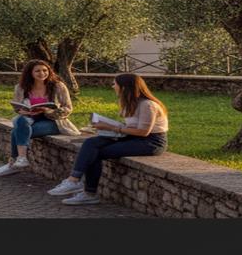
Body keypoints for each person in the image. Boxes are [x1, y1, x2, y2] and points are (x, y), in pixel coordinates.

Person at [47, 73, 169, 205]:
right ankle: (74, 180)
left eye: (114, 84)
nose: (113, 86)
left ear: (124, 87)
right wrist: (105, 128)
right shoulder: (130, 103)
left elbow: (143, 132)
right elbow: (131, 127)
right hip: (132, 137)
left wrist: (111, 127)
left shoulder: (148, 105)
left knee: (95, 153)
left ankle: (87, 192)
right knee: (91, 143)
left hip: (150, 142)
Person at [0, 59, 79, 177]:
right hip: (30, 118)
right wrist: (21, 111)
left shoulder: (58, 86)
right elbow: (17, 106)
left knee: (16, 132)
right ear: (30, 73)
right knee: (20, 120)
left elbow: (68, 108)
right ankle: (20, 160)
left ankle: (14, 162)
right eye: (37, 71)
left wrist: (48, 110)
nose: (42, 73)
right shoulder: (21, 87)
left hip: (53, 121)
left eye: (45, 70)